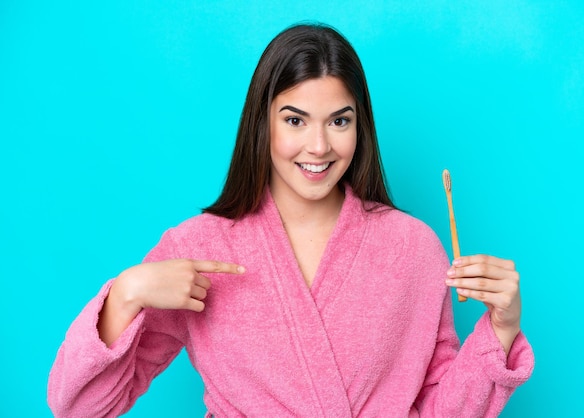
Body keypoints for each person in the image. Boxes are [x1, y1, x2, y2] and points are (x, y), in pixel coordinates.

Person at [48, 23, 534, 417]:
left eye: (339, 121)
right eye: (295, 120)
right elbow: (79, 407)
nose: (319, 147)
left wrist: (502, 329)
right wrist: (127, 293)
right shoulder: (199, 249)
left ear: (359, 126)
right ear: (263, 123)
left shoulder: (414, 247)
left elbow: (442, 411)